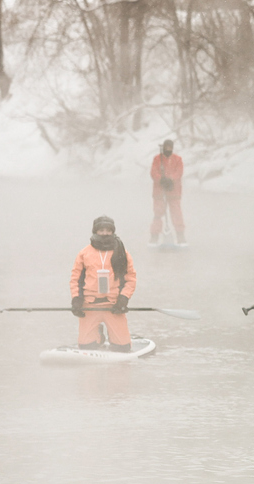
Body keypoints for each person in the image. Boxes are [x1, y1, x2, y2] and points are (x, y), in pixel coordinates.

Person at [70, 215, 136, 350]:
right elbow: (75, 279)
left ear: (112, 232)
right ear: (95, 231)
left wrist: (124, 298)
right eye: (101, 230)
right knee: (86, 347)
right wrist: (76, 299)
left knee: (122, 348)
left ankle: (113, 337)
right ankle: (98, 335)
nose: (105, 233)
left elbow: (130, 278)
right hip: (89, 305)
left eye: (108, 230)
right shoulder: (84, 253)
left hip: (114, 305)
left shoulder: (122, 253)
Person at [149, 139, 185, 245]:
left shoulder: (178, 159)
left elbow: (179, 172)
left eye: (170, 148)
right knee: (158, 213)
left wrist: (170, 179)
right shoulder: (157, 159)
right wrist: (161, 179)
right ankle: (154, 236)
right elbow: (153, 172)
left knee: (176, 213)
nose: (168, 150)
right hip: (159, 193)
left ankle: (180, 236)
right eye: (166, 148)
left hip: (174, 192)